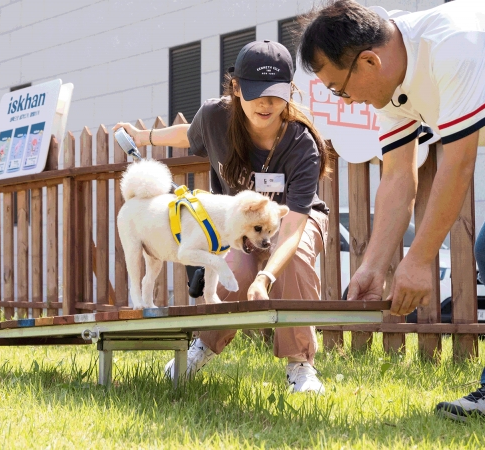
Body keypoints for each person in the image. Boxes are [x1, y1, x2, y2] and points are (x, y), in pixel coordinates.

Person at [299, 0, 485, 419]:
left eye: (339, 90)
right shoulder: (390, 85)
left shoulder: (454, 43)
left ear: (369, 62)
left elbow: (459, 162)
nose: (345, 101)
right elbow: (398, 176)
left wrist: (417, 261)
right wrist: (374, 266)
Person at [114, 40, 332, 393]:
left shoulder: (300, 143)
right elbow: (189, 136)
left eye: (276, 94)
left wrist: (267, 278)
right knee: (236, 270)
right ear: (236, 88)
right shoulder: (216, 116)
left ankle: (301, 365)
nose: (266, 103)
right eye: (256, 92)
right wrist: (143, 136)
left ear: (290, 91)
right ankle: (203, 346)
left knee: (291, 261)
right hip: (241, 226)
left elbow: (293, 229)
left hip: (294, 221)